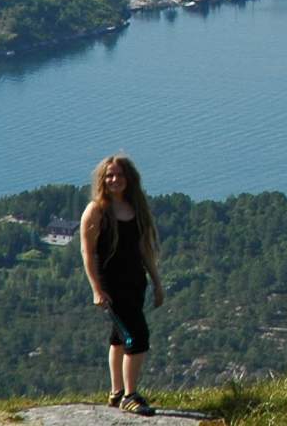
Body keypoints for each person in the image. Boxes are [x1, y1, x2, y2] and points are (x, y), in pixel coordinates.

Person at [80, 154, 165, 416]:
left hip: (135, 282)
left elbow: (144, 249)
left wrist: (157, 282)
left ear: (129, 179)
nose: (114, 179)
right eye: (109, 176)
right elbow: (88, 252)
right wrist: (96, 289)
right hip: (112, 284)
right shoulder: (97, 210)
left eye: (119, 175)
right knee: (137, 337)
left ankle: (117, 393)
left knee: (119, 338)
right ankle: (130, 395)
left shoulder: (135, 208)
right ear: (103, 180)